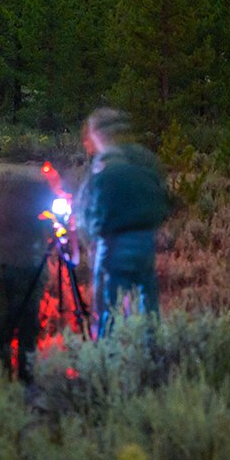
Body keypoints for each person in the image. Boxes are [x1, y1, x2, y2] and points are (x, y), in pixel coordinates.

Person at [78, 105, 168, 338]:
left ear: (98, 133)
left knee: (108, 304)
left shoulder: (105, 162)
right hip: (145, 239)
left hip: (113, 242)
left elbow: (93, 205)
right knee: (148, 303)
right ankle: (152, 354)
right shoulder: (144, 158)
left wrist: (88, 233)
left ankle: (107, 356)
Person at [0, 165, 51, 381]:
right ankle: (25, 372)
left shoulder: (9, 200)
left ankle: (2, 371)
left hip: (4, 265)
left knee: (6, 319)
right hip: (25, 266)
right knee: (28, 320)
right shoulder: (34, 204)